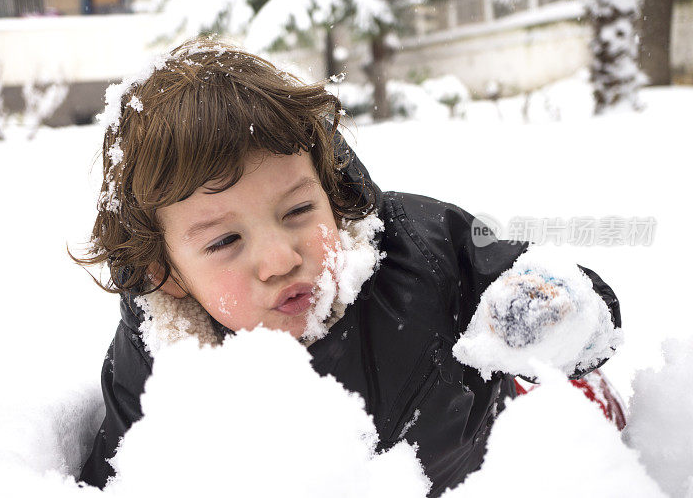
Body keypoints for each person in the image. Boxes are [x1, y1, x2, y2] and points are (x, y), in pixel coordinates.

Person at [74, 39, 621, 496]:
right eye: (224, 242)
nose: (281, 259)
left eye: (297, 211)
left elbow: (561, 290)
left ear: (330, 192)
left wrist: (551, 312)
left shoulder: (420, 250)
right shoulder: (160, 363)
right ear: (164, 272)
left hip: (490, 462)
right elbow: (122, 478)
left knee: (579, 413)